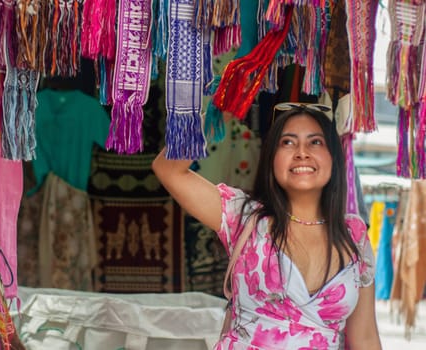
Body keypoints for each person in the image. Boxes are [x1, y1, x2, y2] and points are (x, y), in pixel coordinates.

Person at [152, 103, 382, 349]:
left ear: (334, 158)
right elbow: (168, 170)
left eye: (315, 142)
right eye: (288, 142)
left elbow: (365, 338)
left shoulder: (353, 235)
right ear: (271, 158)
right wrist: (218, 113)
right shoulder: (243, 217)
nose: (302, 152)